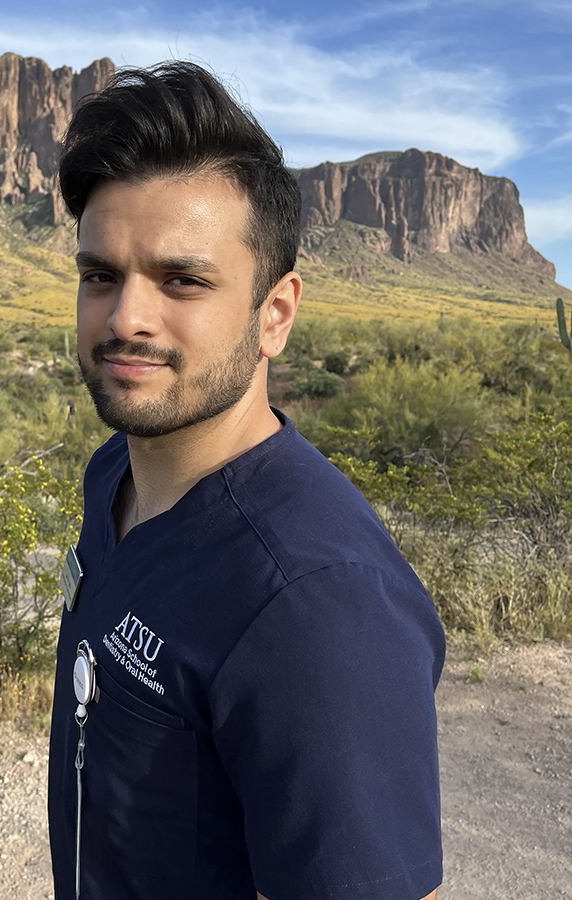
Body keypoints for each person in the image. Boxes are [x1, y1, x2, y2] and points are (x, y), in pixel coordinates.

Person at [47, 62, 444, 900]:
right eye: (99, 275)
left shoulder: (315, 604)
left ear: (276, 313)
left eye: (183, 280)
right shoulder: (111, 473)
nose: (126, 319)